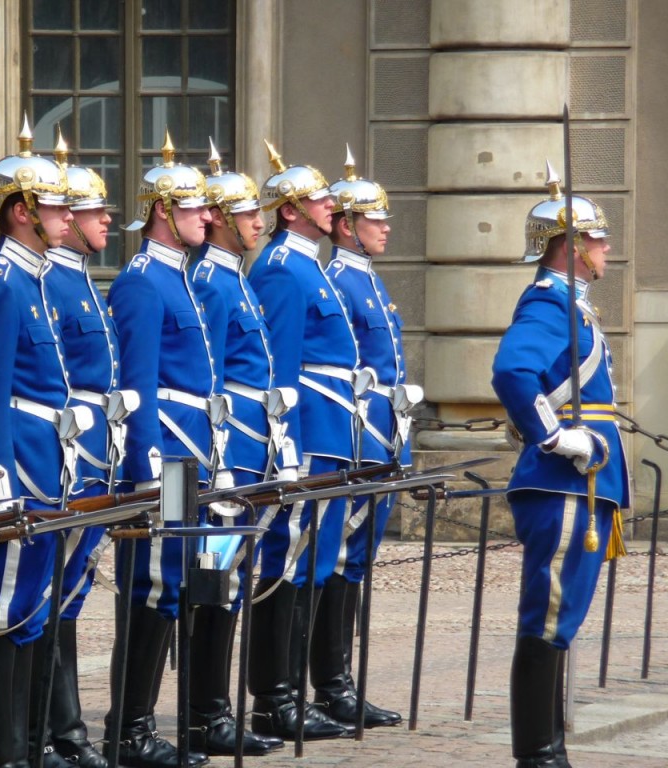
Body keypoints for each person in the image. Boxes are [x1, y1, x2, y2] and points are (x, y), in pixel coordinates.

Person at [491, 163, 630, 768]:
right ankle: (537, 753)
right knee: (548, 612)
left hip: (584, 481)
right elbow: (513, 373)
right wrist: (554, 438)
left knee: (561, 614)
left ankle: (551, 747)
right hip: (565, 480)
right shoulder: (550, 305)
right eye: (597, 238)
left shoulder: (574, 305)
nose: (606, 248)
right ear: (570, 246)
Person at [0, 116, 76, 768]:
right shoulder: (1, 284)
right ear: (24, 211)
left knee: (30, 611)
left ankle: (28, 747)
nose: (66, 216)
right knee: (1, 614)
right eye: (55, 205)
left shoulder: (32, 278)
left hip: (47, 465)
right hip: (19, 471)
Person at [103, 130, 214, 768]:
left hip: (193, 458)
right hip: (166, 461)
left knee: (186, 584)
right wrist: (147, 472)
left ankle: (159, 720)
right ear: (164, 213)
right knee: (154, 584)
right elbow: (138, 387)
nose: (207, 217)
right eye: (196, 207)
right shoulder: (144, 283)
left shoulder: (182, 279)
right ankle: (130, 728)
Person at [245, 142, 358, 742]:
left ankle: (298, 690)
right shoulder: (282, 268)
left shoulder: (310, 263)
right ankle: (275, 696)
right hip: (307, 425)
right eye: (317, 198)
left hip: (333, 426)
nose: (329, 204)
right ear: (289, 209)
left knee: (313, 563)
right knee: (285, 562)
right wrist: (282, 443)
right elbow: (281, 367)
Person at [186, 140, 291, 757]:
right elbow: (210, 382)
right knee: (205, 582)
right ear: (220, 218)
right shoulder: (212, 282)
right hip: (214, 463)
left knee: (226, 583)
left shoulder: (236, 280)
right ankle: (203, 712)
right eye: (250, 212)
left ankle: (213, 708)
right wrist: (221, 462)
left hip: (245, 458)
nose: (261, 221)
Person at [34, 131, 122, 768]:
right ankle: (63, 729)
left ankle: (71, 727)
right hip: (72, 457)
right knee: (49, 596)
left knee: (75, 593)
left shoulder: (85, 282)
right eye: (89, 211)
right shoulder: (53, 284)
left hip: (108, 457)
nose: (100, 220)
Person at [321, 146, 414, 729]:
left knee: (356, 560)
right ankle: (328, 683)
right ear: (346, 226)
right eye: (374, 219)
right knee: (334, 557)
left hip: (384, 436)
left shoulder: (371, 282)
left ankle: (339, 680)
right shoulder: (338, 280)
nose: (385, 228)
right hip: (355, 438)